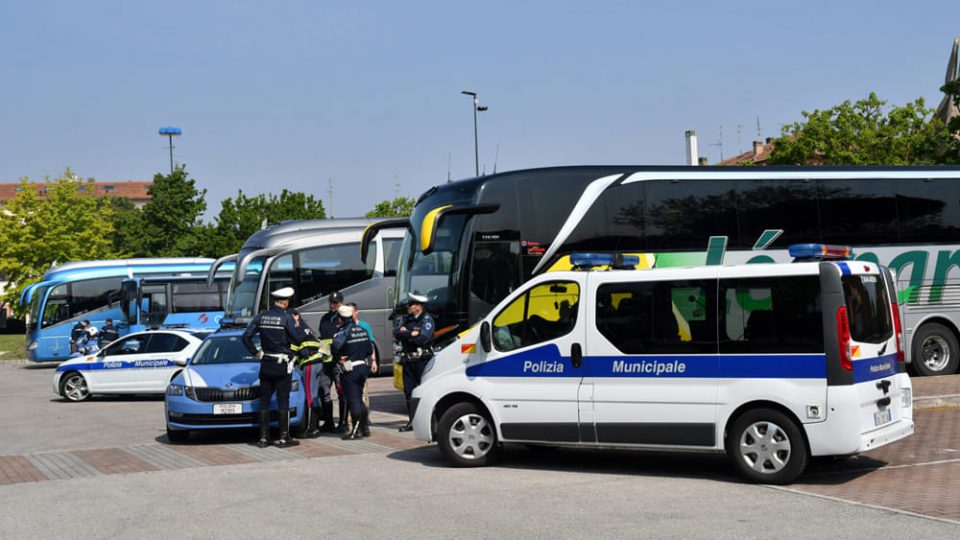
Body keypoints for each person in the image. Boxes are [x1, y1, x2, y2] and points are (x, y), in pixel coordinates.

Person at [242, 287, 305, 448]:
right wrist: (297, 325)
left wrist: (256, 352)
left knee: (264, 401)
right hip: (281, 365)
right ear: (285, 302)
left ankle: (264, 438)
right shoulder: (286, 318)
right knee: (283, 400)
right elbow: (298, 338)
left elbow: (246, 336)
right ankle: (284, 437)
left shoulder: (261, 316)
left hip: (266, 364)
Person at [394, 292, 435, 432]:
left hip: (422, 360)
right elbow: (397, 333)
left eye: (411, 304)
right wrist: (412, 333)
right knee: (408, 392)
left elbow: (423, 339)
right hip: (408, 361)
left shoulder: (427, 320)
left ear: (419, 306)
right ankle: (412, 421)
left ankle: (430, 421)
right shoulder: (407, 319)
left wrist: (407, 334)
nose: (408, 307)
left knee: (426, 391)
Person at [331, 304, 373, 440]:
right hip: (362, 367)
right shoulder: (362, 330)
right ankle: (365, 428)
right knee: (359, 399)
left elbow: (335, 347)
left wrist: (339, 357)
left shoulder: (344, 332)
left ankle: (356, 431)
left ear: (341, 318)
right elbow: (369, 350)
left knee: (353, 400)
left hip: (350, 369)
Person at [290, 309, 327, 438]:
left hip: (309, 364)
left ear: (297, 316)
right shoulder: (307, 328)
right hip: (318, 363)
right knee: (314, 395)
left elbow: (292, 351)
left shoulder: (296, 330)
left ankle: (311, 429)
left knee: (310, 397)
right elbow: (321, 345)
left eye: (291, 317)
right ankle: (315, 427)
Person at [316, 291, 345, 433]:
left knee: (342, 393)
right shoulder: (325, 318)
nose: (333, 305)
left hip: (339, 361)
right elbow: (323, 339)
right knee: (324, 392)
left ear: (341, 302)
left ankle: (343, 423)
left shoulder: (344, 318)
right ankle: (329, 423)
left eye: (336, 302)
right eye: (331, 302)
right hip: (327, 362)